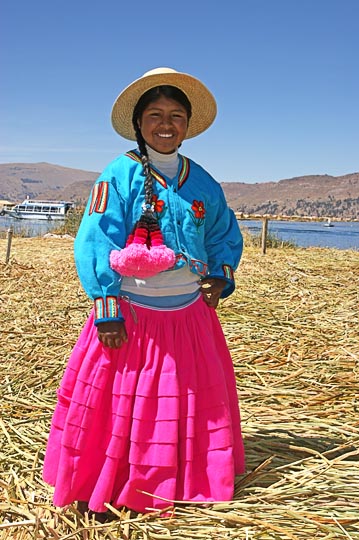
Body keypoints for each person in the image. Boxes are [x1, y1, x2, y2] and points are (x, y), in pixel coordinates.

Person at [43, 67, 246, 517]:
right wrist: (107, 307)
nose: (166, 124)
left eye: (176, 115)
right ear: (138, 123)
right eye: (155, 114)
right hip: (131, 316)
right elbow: (96, 239)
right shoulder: (118, 175)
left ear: (188, 124)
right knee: (123, 407)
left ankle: (182, 481)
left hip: (190, 316)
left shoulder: (203, 182)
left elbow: (222, 232)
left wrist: (220, 274)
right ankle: (117, 482)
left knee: (188, 403)